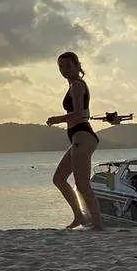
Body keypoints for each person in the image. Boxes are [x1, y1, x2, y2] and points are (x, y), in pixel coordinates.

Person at [46, 52, 103, 231]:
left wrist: (57, 119)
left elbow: (79, 113)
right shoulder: (73, 85)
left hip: (83, 136)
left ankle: (98, 225)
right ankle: (79, 216)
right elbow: (82, 112)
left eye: (68, 66)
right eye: (61, 67)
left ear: (77, 65)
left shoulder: (78, 85)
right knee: (59, 178)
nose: (64, 70)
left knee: (82, 185)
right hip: (78, 138)